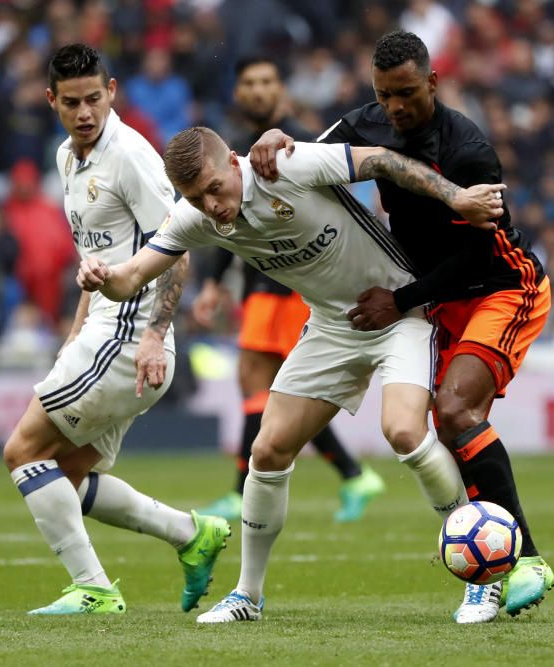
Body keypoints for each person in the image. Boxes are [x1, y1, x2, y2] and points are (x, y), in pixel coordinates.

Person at [75, 126, 507, 624]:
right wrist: (103, 280)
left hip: (399, 312)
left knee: (405, 432)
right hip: (331, 326)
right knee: (267, 449)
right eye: (197, 197)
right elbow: (132, 276)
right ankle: (248, 596)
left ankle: (483, 582)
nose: (212, 205)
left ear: (234, 162)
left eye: (215, 188)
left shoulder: (287, 167)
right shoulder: (197, 217)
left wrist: (457, 197)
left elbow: (384, 161)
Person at [250, 30, 553, 623]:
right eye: (385, 95)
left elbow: (474, 256)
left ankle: (529, 559)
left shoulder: (468, 149)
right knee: (440, 422)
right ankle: (491, 568)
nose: (395, 107)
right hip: (434, 299)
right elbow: (311, 161)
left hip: (500, 288)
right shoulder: (366, 123)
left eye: (407, 93)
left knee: (457, 411)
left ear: (433, 83)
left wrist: (399, 299)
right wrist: (275, 137)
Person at [1, 44, 231, 616]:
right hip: (102, 333)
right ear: (51, 100)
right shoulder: (65, 159)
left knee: (22, 450)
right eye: (72, 102)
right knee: (66, 475)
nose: (85, 112)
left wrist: (154, 335)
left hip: (131, 338)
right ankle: (190, 533)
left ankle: (95, 588)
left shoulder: (130, 155)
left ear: (113, 91)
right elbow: (92, 260)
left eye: (95, 99)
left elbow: (178, 249)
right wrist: (75, 334)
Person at [195, 57, 384, 524]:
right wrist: (217, 282)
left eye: (266, 82)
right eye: (249, 83)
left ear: (281, 89)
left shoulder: (295, 139)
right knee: (269, 389)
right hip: (266, 282)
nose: (258, 91)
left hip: (292, 285)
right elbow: (227, 218)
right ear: (238, 93)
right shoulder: (233, 148)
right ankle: (350, 475)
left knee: (269, 387)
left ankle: (252, 491)